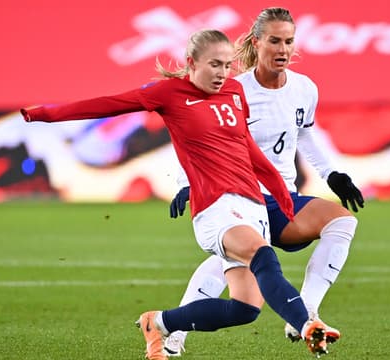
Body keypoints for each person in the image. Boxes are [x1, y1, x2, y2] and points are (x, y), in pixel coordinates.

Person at [20, 29, 330, 360]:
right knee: (262, 255)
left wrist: (281, 191)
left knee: (245, 309)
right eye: (214, 65)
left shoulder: (235, 92)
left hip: (251, 204)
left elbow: (248, 150)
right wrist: (46, 114)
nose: (222, 73)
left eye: (227, 65)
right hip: (215, 207)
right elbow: (109, 105)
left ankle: (159, 323)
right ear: (191, 63)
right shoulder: (169, 93)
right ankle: (307, 325)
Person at [163, 7, 364, 357]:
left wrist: (333, 175)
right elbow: (195, 138)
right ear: (257, 43)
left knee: (342, 222)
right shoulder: (232, 91)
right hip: (237, 199)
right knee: (232, 265)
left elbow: (306, 136)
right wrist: (186, 183)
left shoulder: (304, 89)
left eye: (288, 41)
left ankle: (307, 313)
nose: (282, 49)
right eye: (274, 41)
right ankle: (174, 332)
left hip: (283, 197)